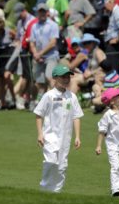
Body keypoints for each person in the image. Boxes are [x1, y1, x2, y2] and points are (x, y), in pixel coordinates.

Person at [34, 64, 84, 192]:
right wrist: (40, 134)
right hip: (50, 136)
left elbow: (76, 116)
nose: (66, 79)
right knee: (51, 161)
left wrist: (77, 136)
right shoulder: (48, 95)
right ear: (55, 78)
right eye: (63, 77)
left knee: (62, 166)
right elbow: (38, 114)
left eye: (68, 77)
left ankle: (57, 191)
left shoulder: (72, 96)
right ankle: (44, 188)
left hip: (65, 138)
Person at [29, 3, 60, 105]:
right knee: (39, 81)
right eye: (40, 11)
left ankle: (55, 100)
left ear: (47, 12)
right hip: (38, 57)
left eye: (44, 11)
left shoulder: (53, 25)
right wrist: (35, 54)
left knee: (49, 77)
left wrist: (39, 53)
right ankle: (41, 101)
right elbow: (32, 42)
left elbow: (53, 43)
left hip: (51, 56)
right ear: (37, 13)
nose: (42, 13)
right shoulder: (34, 26)